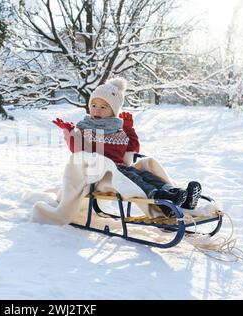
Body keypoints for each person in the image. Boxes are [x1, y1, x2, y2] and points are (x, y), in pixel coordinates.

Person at [52, 78, 202, 216]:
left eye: (104, 107)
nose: (97, 110)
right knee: (134, 177)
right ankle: (160, 199)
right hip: (101, 175)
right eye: (94, 105)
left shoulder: (118, 130)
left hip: (121, 169)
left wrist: (129, 129)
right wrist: (70, 132)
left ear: (113, 111)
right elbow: (78, 151)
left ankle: (177, 195)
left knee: (146, 175)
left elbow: (132, 149)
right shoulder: (85, 128)